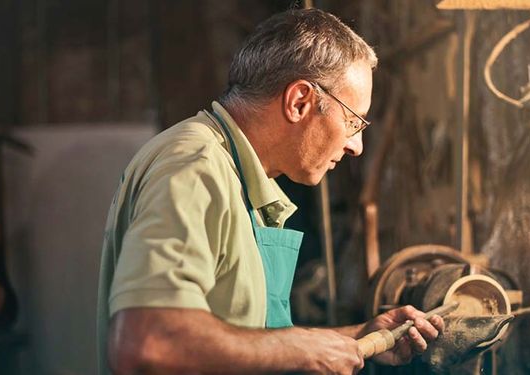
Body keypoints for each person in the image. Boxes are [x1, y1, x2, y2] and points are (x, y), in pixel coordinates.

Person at [97, 8, 443, 375]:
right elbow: (148, 341)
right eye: (352, 121)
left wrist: (356, 338)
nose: (356, 145)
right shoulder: (196, 167)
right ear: (299, 102)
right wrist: (297, 349)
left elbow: (242, 340)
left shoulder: (237, 173)